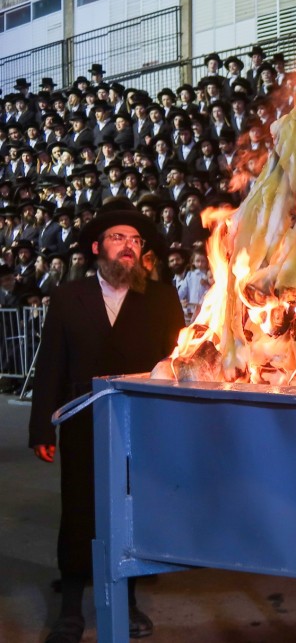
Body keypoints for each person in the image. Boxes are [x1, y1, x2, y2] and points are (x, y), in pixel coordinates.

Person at [28, 198, 185, 643]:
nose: (129, 247)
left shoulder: (159, 297)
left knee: (132, 512)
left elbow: (177, 360)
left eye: (135, 240)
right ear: (98, 246)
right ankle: (71, 607)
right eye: (119, 238)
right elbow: (51, 366)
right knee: (79, 512)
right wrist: (42, 427)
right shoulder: (68, 297)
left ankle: (129, 599)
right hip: (83, 424)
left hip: (140, 424)